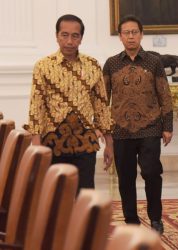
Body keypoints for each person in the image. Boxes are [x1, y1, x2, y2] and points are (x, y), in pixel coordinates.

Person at [27, 14, 113, 193]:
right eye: (64, 35)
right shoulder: (43, 66)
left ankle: (83, 222)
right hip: (52, 140)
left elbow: (101, 105)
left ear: (81, 38)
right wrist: (36, 144)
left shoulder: (92, 65)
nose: (69, 41)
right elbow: (37, 106)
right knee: (54, 196)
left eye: (75, 36)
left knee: (84, 194)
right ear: (56, 36)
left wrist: (109, 144)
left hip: (85, 140)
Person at [103, 15, 173, 235]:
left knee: (152, 173)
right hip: (121, 130)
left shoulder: (154, 62)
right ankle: (131, 220)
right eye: (126, 32)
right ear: (120, 36)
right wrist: (105, 131)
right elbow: (102, 99)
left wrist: (167, 126)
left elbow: (165, 94)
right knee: (125, 178)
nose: (131, 36)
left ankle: (155, 218)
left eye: (135, 32)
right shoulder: (111, 63)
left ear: (142, 34)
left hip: (150, 127)